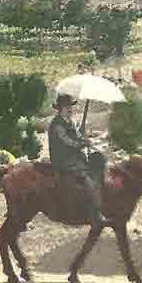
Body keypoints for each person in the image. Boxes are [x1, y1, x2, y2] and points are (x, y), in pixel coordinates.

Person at [47, 92, 104, 227]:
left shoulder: (69, 121)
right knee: (85, 177)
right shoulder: (57, 125)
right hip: (62, 159)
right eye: (67, 107)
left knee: (98, 163)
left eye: (71, 106)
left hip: (73, 156)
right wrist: (81, 143)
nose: (70, 109)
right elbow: (67, 142)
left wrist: (84, 137)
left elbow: (77, 136)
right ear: (60, 109)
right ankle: (90, 211)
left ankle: (97, 201)